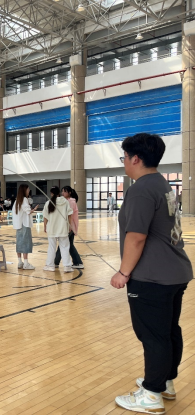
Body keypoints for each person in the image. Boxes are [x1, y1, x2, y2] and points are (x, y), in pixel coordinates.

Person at [112, 134, 193, 414]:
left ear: (135, 158)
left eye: (124, 157)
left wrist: (123, 272)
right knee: (168, 331)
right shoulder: (162, 184)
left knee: (153, 335)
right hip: (174, 272)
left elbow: (136, 237)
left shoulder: (141, 189)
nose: (123, 162)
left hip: (152, 277)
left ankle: (151, 395)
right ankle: (164, 382)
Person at [43, 186, 73, 273]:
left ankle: (50, 266)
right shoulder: (65, 202)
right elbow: (69, 215)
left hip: (51, 228)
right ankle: (67, 266)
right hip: (63, 228)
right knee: (65, 247)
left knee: (51, 247)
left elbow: (45, 217)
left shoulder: (48, 203)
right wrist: (70, 226)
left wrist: (45, 226)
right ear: (59, 193)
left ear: (51, 193)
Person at [55, 186, 84, 269]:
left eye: (64, 191)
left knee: (63, 244)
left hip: (70, 227)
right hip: (69, 227)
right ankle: (77, 262)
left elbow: (69, 216)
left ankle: (55, 262)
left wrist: (69, 227)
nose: (62, 193)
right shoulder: (67, 201)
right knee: (69, 245)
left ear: (69, 193)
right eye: (62, 191)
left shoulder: (71, 202)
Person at [13, 185, 38, 270]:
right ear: (24, 190)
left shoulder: (17, 200)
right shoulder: (24, 199)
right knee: (26, 243)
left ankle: (20, 262)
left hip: (19, 225)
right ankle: (26, 264)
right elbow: (28, 211)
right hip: (25, 224)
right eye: (28, 189)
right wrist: (34, 209)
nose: (29, 191)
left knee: (19, 243)